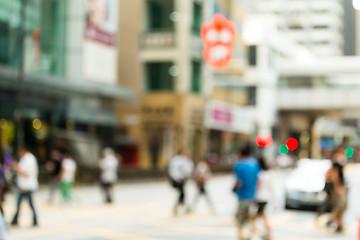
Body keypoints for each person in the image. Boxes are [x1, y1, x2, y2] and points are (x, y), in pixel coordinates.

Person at [233, 143, 261, 240]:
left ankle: (240, 236)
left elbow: (239, 181)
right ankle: (251, 234)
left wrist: (234, 189)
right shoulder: (255, 163)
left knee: (241, 218)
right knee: (250, 216)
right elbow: (258, 179)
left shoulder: (239, 165)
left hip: (242, 195)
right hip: (253, 194)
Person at [11, 146, 39, 227]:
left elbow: (27, 173)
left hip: (28, 186)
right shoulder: (25, 159)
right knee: (20, 203)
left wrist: (17, 169)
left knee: (28, 204)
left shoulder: (29, 160)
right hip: (23, 186)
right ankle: (15, 220)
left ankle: (34, 220)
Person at [168, 148, 194, 216]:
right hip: (178, 180)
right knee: (182, 194)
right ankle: (180, 207)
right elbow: (174, 170)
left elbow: (188, 170)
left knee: (182, 194)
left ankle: (179, 207)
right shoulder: (177, 160)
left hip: (182, 180)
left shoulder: (186, 160)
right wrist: (177, 178)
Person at [252, 155, 272, 240]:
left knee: (255, 217)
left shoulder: (259, 175)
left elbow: (257, 187)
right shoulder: (268, 174)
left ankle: (256, 231)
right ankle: (267, 233)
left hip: (259, 197)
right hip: (265, 198)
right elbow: (271, 188)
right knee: (261, 215)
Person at [326, 162, 347, 232]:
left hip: (337, 193)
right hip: (337, 194)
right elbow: (336, 183)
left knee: (339, 210)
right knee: (338, 208)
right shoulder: (334, 173)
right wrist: (340, 192)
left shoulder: (335, 173)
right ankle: (331, 220)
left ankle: (339, 225)